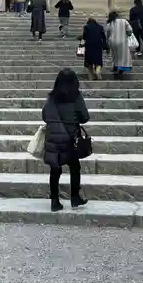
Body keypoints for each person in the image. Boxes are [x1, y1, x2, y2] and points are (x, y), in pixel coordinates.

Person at [42, 68, 90, 212]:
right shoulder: (76, 96)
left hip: (54, 138)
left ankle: (55, 201)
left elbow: (45, 116)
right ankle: (75, 197)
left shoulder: (52, 97)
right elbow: (85, 117)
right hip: (70, 138)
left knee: (55, 170)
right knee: (75, 167)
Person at [106, 11, 133, 78]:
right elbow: (129, 30)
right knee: (122, 57)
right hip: (122, 41)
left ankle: (115, 66)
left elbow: (107, 34)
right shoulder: (123, 21)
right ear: (117, 16)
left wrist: (107, 43)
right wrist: (127, 34)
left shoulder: (109, 24)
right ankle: (120, 70)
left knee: (115, 55)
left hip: (112, 42)